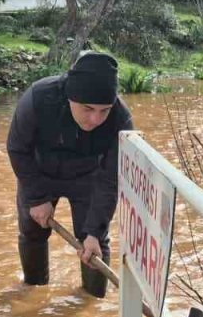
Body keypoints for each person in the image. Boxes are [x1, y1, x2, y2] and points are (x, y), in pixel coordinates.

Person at [7, 51, 134, 297]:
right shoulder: (38, 98)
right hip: (39, 172)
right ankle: (33, 290)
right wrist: (36, 198)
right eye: (88, 109)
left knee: (93, 243)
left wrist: (95, 231)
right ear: (69, 97)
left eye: (104, 110)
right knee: (32, 232)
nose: (96, 119)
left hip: (88, 178)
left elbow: (110, 179)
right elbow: (17, 148)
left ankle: (91, 302)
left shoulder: (120, 119)